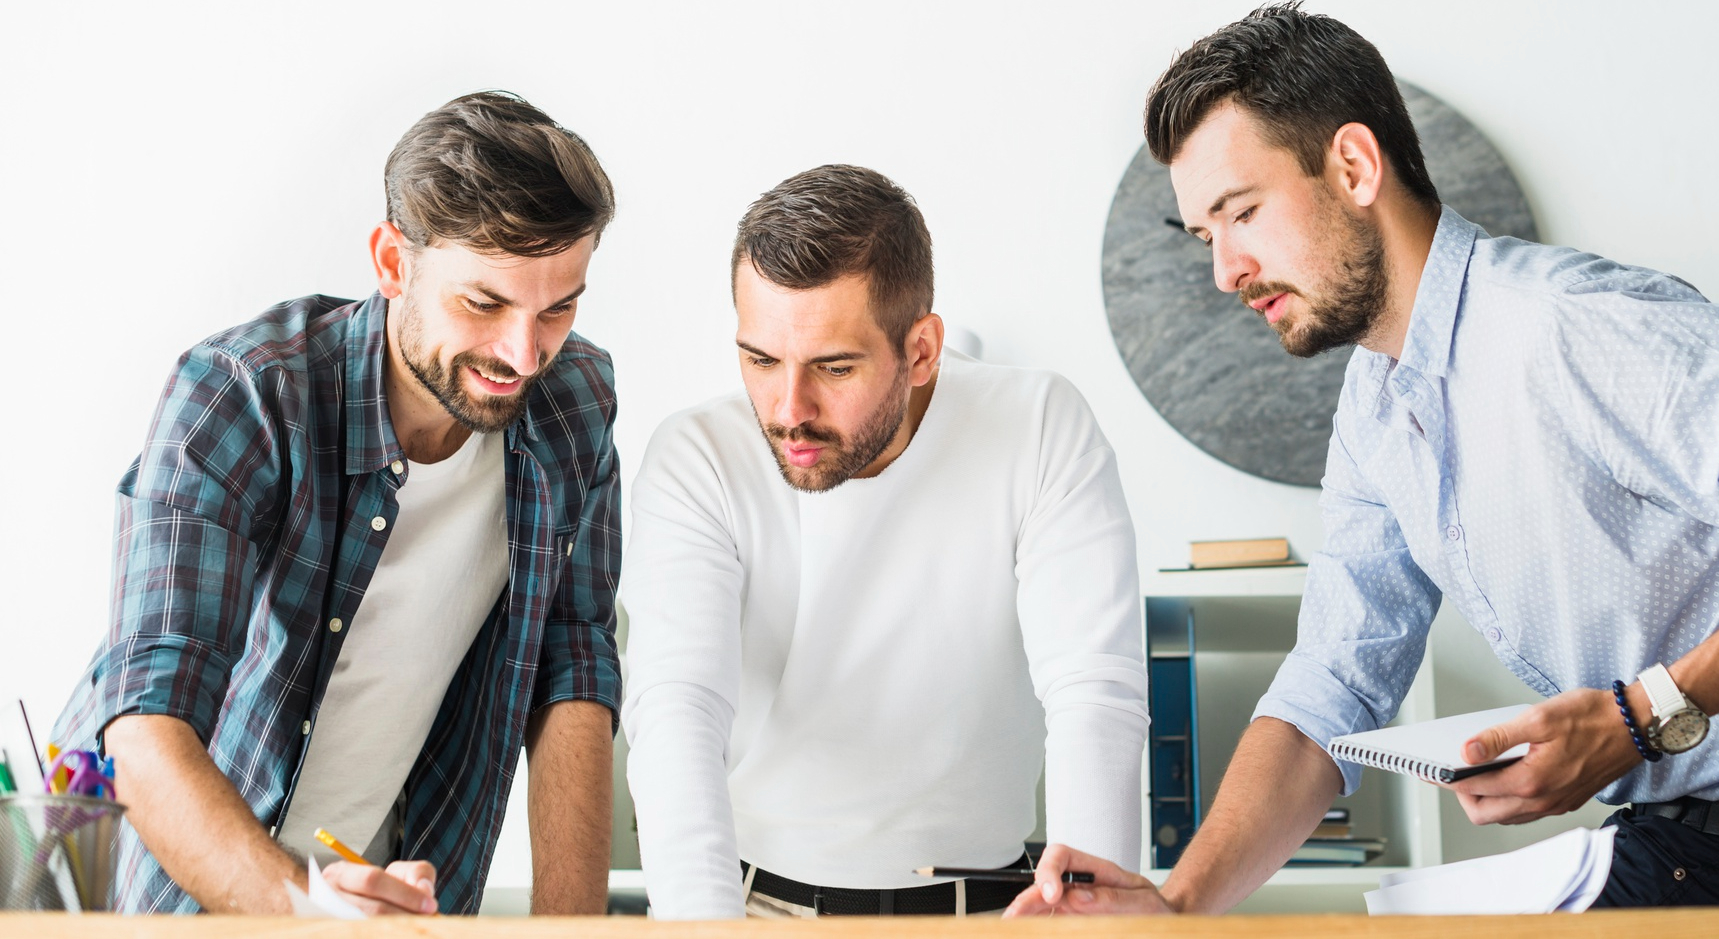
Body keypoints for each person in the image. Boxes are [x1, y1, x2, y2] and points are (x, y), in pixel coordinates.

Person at [1013, 3, 1719, 916]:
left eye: (1243, 212)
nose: (1225, 270)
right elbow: (1329, 691)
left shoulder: (1575, 327)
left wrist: (1641, 714)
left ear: (1353, 167)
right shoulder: (1375, 411)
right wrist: (1177, 904)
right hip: (1673, 842)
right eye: (1205, 235)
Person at [54, 92, 624, 915]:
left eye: (558, 307)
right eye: (484, 303)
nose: (524, 353)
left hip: (389, 897)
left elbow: (572, 669)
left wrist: (572, 935)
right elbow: (146, 722)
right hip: (167, 899)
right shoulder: (244, 397)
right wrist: (306, 911)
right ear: (393, 263)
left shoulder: (575, 406)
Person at [622, 164, 1148, 919]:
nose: (789, 409)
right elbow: (678, 705)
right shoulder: (698, 455)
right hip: (749, 906)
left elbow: (1094, 689)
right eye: (761, 360)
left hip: (987, 909)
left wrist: (1093, 923)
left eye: (834, 367)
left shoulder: (1037, 426)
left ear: (922, 349)